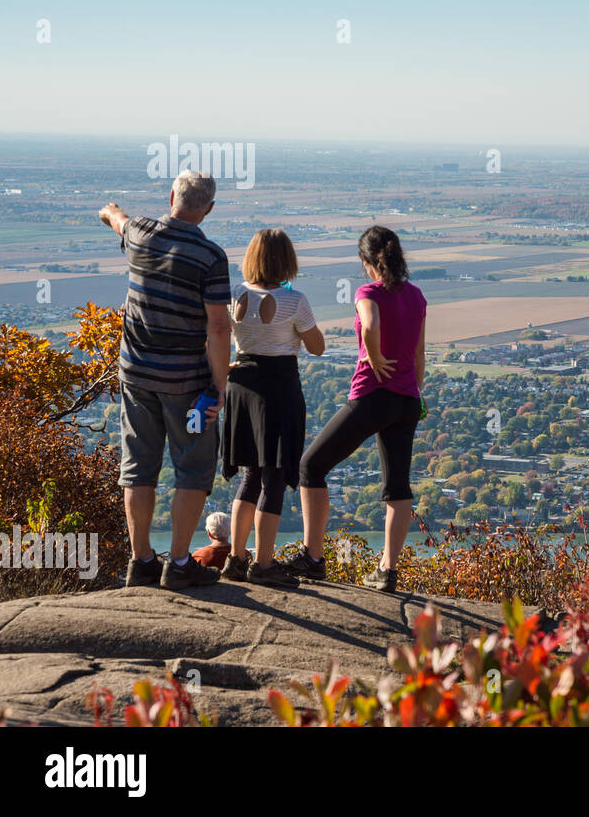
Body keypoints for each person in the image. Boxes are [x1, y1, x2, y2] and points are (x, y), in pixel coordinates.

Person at [99, 170, 230, 590]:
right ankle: (177, 562)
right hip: (187, 382)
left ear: (171, 195)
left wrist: (110, 212)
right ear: (208, 209)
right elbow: (218, 328)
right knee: (192, 470)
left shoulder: (139, 235)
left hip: (135, 374)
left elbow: (114, 216)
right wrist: (219, 385)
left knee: (138, 467)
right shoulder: (211, 258)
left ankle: (140, 561)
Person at [285, 226, 426, 592]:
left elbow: (369, 324)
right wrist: (414, 391)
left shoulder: (368, 293)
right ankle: (388, 570)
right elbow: (419, 354)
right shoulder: (416, 296)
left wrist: (374, 355)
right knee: (397, 485)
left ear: (367, 263)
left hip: (372, 396)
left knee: (310, 466)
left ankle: (313, 557)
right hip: (407, 400)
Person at [219, 228, 325, 587]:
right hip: (278, 388)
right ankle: (263, 565)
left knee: (251, 474)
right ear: (287, 260)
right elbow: (318, 347)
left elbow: (215, 335)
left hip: (241, 384)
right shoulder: (295, 300)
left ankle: (236, 558)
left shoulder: (235, 294)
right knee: (274, 476)